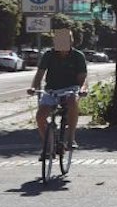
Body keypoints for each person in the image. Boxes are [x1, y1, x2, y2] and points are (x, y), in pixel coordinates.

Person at [30, 29, 89, 158]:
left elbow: (83, 78)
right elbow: (39, 74)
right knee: (40, 117)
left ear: (71, 42)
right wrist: (33, 87)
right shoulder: (48, 55)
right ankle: (49, 145)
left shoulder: (78, 56)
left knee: (72, 100)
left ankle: (70, 137)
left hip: (70, 88)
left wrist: (83, 89)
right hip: (52, 90)